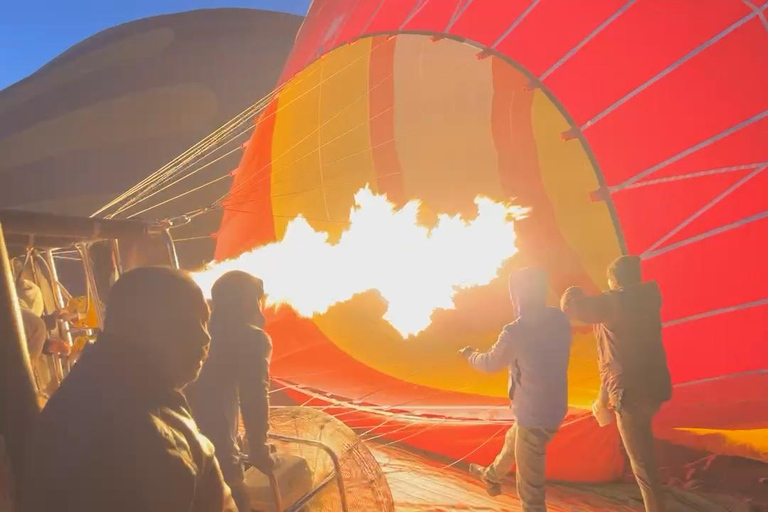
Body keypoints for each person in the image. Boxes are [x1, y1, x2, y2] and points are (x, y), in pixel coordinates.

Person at [21, 267, 237, 512]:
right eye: (187, 323)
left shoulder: (98, 389)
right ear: (140, 326)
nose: (205, 338)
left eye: (205, 323)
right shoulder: (143, 436)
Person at [560, 255, 671, 512]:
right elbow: (612, 355)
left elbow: (573, 308)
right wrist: (602, 399)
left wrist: (572, 286)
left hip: (630, 391)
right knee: (642, 452)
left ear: (614, 280)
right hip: (652, 386)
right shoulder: (645, 300)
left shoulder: (616, 302)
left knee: (642, 464)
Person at [460, 268, 571, 512]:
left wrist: (470, 355)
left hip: (534, 415)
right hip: (554, 407)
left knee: (530, 490)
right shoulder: (559, 319)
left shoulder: (516, 331)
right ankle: (491, 476)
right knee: (513, 440)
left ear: (518, 296)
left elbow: (489, 363)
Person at [186, 271, 276, 512]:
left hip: (182, 445)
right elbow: (255, 396)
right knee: (239, 501)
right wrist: (259, 449)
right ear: (251, 301)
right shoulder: (253, 339)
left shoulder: (199, 333)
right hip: (217, 450)